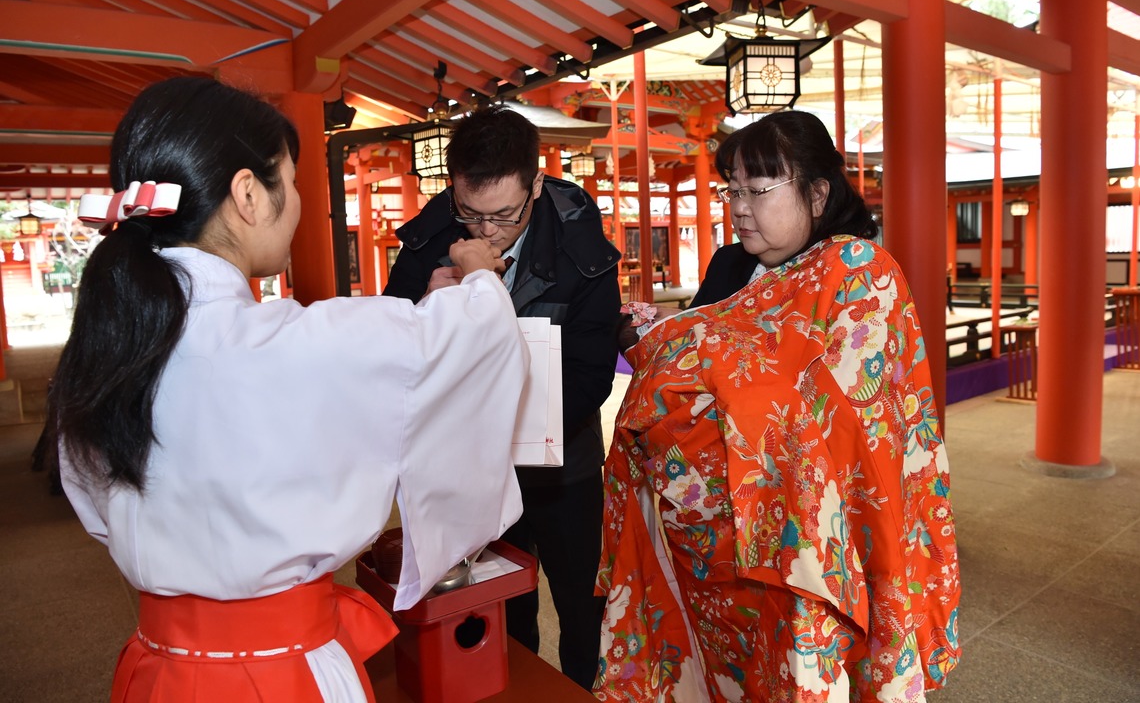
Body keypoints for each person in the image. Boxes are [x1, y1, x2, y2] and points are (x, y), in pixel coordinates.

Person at [50, 76, 531, 703]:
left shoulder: (98, 356)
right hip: (280, 670)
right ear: (249, 194)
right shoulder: (303, 343)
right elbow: (473, 341)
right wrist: (480, 280)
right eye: (294, 181)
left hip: (158, 667)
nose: (300, 203)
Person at [595, 110, 961, 701]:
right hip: (715, 539)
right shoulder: (732, 264)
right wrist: (661, 344)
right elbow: (711, 353)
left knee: (799, 666)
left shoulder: (858, 274)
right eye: (732, 190)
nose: (740, 208)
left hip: (807, 533)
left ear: (817, 193)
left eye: (758, 191)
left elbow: (830, 414)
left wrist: (688, 349)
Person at [383, 105, 620, 690]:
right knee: (496, 609)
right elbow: (389, 345)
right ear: (453, 189)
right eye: (470, 213)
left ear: (536, 185)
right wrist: (428, 309)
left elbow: (592, 371)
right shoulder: (430, 238)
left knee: (581, 603)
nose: (486, 231)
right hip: (473, 468)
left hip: (564, 460)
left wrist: (515, 424)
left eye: (505, 215)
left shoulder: (582, 245)